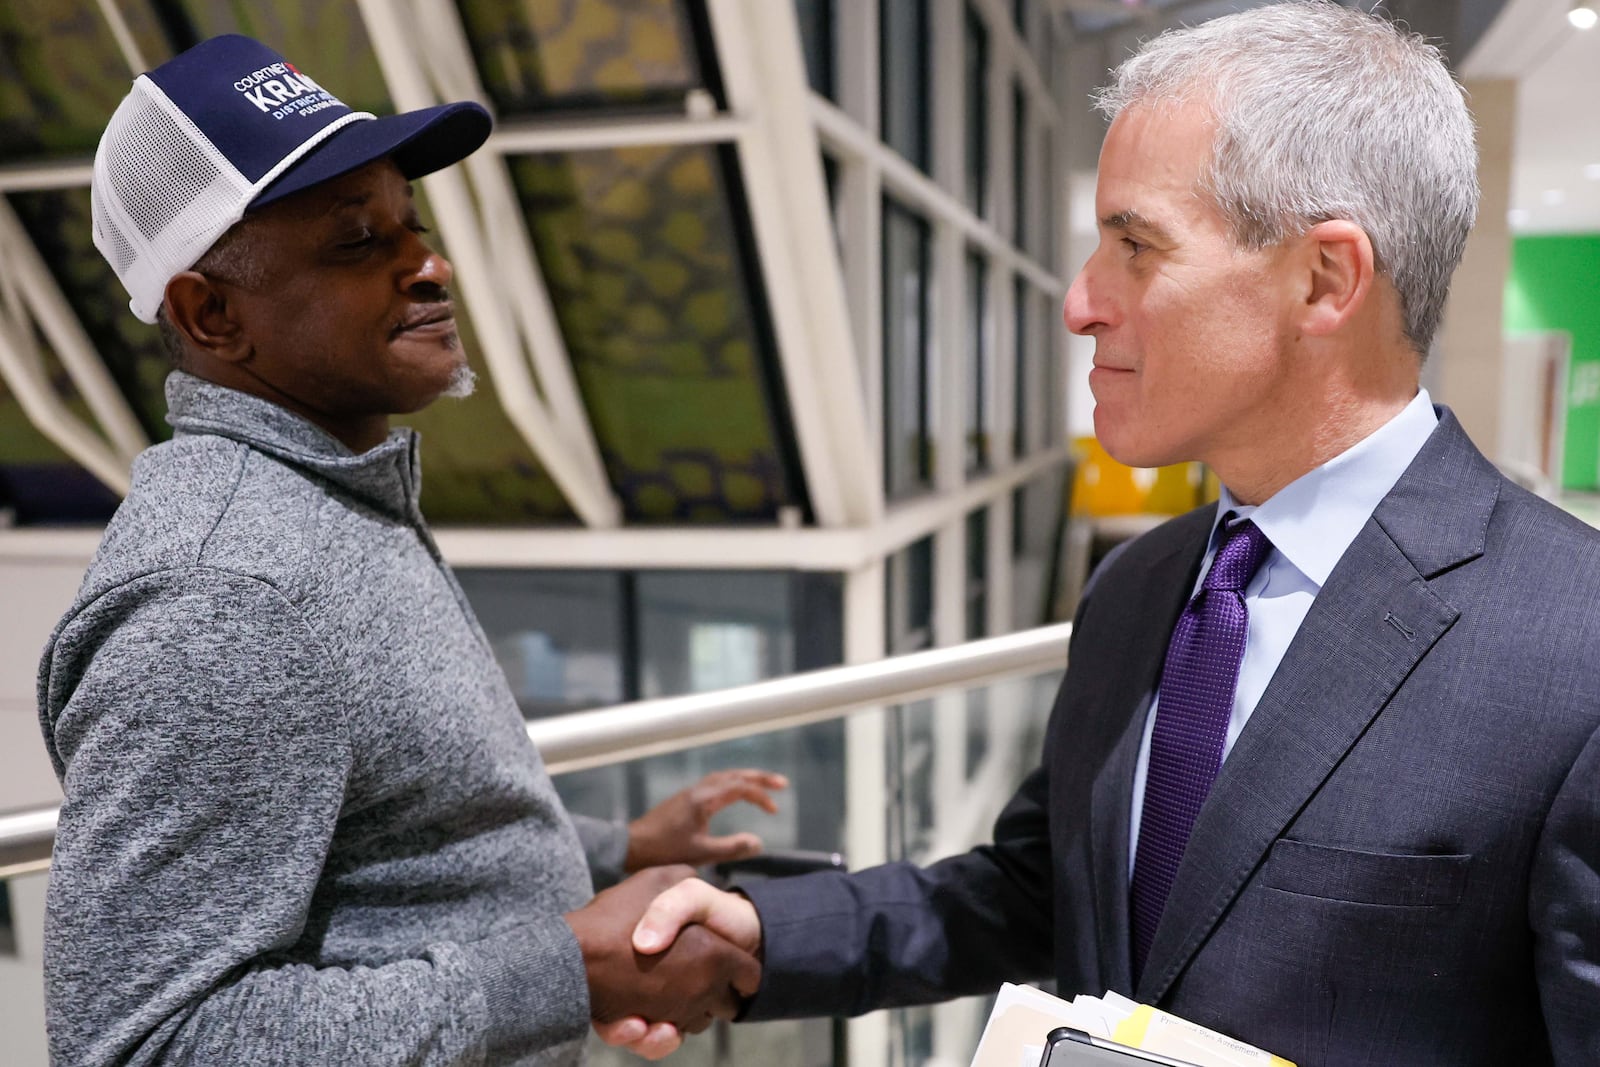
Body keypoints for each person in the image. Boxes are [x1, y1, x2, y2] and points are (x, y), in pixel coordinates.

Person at [609, 4, 1600, 1064]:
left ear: (1324, 278)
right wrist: (762, 932)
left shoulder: (1572, 645)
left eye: (1135, 246)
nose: (1080, 301)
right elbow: (1050, 889)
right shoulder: (1142, 584)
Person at [37, 33, 785, 1066]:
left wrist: (608, 851)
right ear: (211, 312)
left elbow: (381, 836)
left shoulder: (327, 499)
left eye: (411, 224)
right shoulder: (221, 596)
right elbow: (145, 1045)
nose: (428, 265)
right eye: (355, 243)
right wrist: (568, 968)